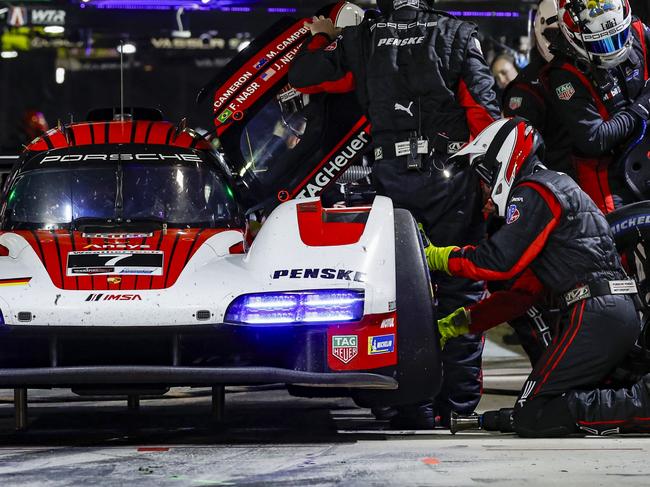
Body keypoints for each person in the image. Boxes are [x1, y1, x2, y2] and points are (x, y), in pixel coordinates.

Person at [288, 0, 500, 428]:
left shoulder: (364, 38)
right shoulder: (458, 34)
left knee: (400, 297)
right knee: (460, 290)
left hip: (392, 185)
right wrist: (493, 186)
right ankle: (457, 407)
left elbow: (303, 76)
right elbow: (485, 116)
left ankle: (410, 406)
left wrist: (324, 35)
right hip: (451, 182)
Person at [425, 117, 648, 437]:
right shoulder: (555, 186)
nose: (485, 191)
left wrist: (439, 256)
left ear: (499, 161)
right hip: (614, 312)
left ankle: (642, 406)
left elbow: (498, 262)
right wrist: (462, 322)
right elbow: (522, 296)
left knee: (533, 413)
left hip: (595, 313)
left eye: (484, 178)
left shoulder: (534, 190)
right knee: (538, 410)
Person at [546, 0, 650, 214]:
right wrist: (642, 108)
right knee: (611, 242)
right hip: (607, 175)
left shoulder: (637, 30)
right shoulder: (563, 74)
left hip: (644, 150)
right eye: (602, 43)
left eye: (618, 36)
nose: (613, 49)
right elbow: (595, 139)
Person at [503, 0, 573, 176]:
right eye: (557, 34)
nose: (563, 42)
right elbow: (519, 157)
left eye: (569, 33)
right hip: (555, 185)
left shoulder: (591, 69)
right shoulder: (526, 87)